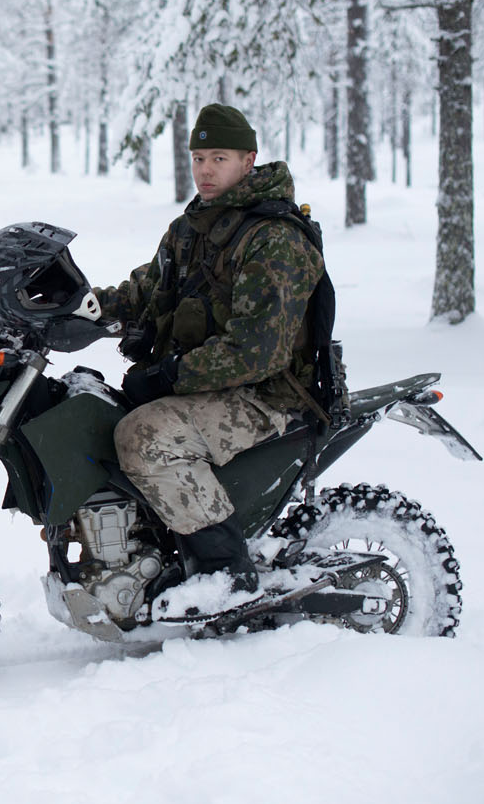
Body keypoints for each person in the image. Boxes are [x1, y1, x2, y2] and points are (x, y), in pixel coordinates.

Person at [92, 104, 326, 612]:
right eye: (198, 157)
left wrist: (171, 375)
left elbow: (258, 351)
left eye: (219, 157)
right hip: (213, 387)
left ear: (249, 160)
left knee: (145, 435)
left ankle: (226, 575)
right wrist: (77, 306)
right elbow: (145, 291)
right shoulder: (191, 228)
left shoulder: (274, 238)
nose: (205, 170)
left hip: (268, 395)